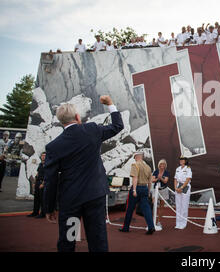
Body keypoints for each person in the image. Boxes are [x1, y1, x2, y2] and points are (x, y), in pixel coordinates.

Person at [43, 95, 124, 252]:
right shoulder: (92, 130)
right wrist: (110, 104)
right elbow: (117, 126)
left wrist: (49, 207)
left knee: (69, 239)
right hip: (95, 196)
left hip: (70, 200)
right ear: (78, 117)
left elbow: (50, 180)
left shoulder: (54, 146)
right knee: (97, 239)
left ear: (61, 122)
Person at [119, 151, 155, 234]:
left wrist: (134, 190)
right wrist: (148, 191)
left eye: (135, 157)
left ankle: (126, 227)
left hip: (137, 188)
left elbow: (135, 178)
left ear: (136, 157)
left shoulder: (135, 165)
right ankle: (151, 227)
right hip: (145, 188)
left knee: (130, 208)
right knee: (146, 209)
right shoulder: (148, 167)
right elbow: (150, 181)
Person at [174, 156, 192, 230]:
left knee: (184, 205)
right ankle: (178, 223)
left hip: (185, 186)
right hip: (178, 186)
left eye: (182, 160)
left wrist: (181, 188)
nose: (181, 161)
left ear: (185, 161)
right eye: (180, 160)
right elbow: (175, 179)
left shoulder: (188, 168)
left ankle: (183, 223)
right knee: (178, 205)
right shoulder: (177, 169)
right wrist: (175, 188)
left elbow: (188, 179)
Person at [28, 152, 47, 218]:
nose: (43, 157)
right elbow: (37, 174)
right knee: (36, 199)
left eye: (45, 156)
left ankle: (43, 213)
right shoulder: (40, 164)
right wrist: (34, 183)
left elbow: (47, 175)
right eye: (42, 155)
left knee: (42, 200)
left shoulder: (47, 165)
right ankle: (35, 212)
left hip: (43, 183)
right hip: (38, 182)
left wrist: (43, 184)